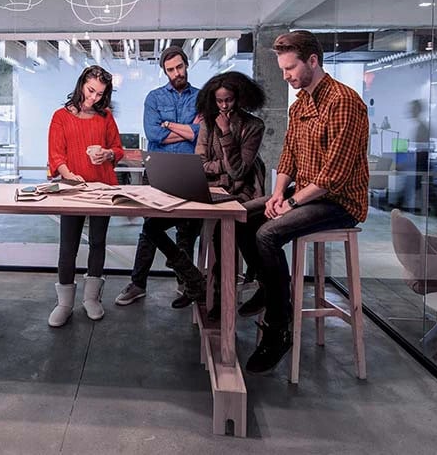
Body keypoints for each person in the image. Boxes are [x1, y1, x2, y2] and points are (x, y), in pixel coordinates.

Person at [236, 30, 369, 374]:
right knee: (238, 214)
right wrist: (279, 192)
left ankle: (279, 330)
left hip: (339, 201)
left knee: (267, 235)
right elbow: (290, 155)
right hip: (305, 193)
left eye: (291, 68)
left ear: (312, 61)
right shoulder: (301, 105)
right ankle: (269, 285)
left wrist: (291, 203)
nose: (286, 76)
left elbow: (333, 177)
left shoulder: (344, 101)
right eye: (282, 69)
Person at [140, 71, 266, 317]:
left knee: (223, 236)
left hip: (240, 196)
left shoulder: (254, 126)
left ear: (240, 97)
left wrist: (227, 134)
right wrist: (222, 168)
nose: (223, 106)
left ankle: (220, 301)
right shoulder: (207, 123)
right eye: (219, 101)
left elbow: (239, 172)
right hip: (207, 190)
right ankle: (192, 277)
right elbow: (200, 162)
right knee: (153, 227)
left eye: (228, 100)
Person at [115, 46, 202, 307]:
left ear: (187, 65)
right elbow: (154, 135)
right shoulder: (154, 98)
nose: (176, 73)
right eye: (171, 69)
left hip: (190, 170)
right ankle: (138, 283)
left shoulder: (201, 97)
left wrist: (172, 127)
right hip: (160, 171)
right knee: (150, 230)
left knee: (186, 231)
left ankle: (186, 281)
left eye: (180, 67)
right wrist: (188, 130)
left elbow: (202, 133)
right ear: (165, 71)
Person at [47, 65, 124, 327]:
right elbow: (56, 155)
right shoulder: (60, 116)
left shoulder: (106, 117)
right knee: (68, 246)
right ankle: (64, 303)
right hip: (72, 190)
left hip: (102, 188)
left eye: (100, 94)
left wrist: (108, 154)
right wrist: (69, 174)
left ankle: (92, 299)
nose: (94, 98)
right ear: (81, 84)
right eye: (91, 90)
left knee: (97, 243)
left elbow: (118, 149)